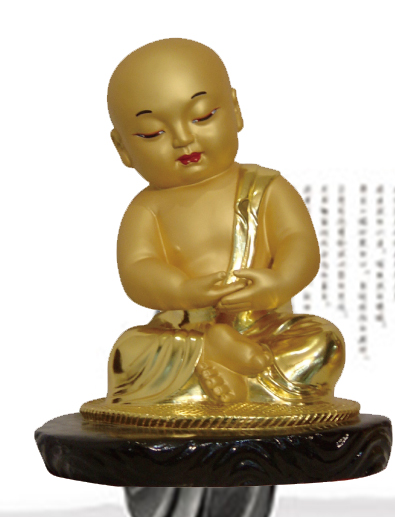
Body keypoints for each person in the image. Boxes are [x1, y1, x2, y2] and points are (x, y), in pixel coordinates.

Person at [87, 38, 348, 427]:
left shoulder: (267, 188)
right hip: (184, 329)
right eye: (152, 133)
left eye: (202, 116)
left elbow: (298, 243)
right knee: (130, 352)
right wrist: (182, 291)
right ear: (122, 147)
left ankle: (227, 372)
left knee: (322, 341)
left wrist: (278, 283)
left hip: (263, 327)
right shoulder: (147, 209)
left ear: (236, 110)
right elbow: (138, 269)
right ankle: (216, 359)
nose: (183, 139)